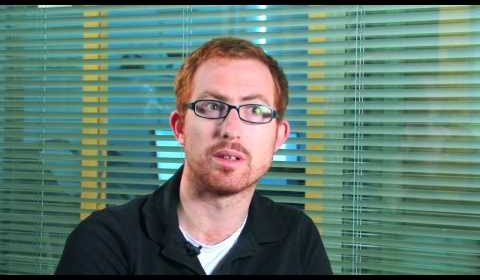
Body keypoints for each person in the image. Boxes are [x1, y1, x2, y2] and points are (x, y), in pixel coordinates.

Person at [55, 37, 332, 275]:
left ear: (279, 137)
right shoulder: (103, 242)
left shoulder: (298, 239)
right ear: (180, 127)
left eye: (255, 110)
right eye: (211, 106)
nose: (231, 131)